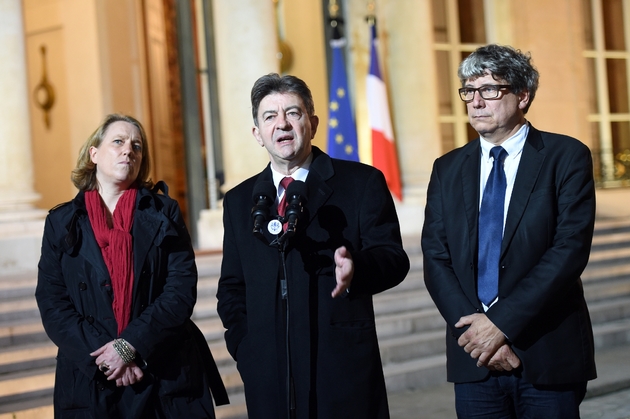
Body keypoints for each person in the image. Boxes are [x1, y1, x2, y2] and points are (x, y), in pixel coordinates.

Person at [216, 73, 409, 419]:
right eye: (270, 116)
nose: (283, 124)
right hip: (269, 376)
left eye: (294, 113)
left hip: (340, 368)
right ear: (258, 134)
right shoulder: (239, 200)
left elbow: (393, 258)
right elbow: (232, 287)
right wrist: (246, 348)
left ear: (313, 123)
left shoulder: (361, 183)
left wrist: (357, 269)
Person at [421, 44, 597, 418]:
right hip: (475, 360)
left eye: (489, 89)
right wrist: (478, 336)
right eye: (468, 90)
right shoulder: (447, 168)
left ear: (523, 96)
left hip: (545, 354)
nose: (475, 102)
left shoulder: (565, 156)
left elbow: (568, 252)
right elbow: (436, 258)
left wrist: (500, 325)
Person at [36, 113, 228, 418]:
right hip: (91, 377)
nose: (129, 150)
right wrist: (107, 357)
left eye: (137, 146)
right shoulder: (61, 223)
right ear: (94, 154)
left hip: (162, 370)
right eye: (118, 142)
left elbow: (179, 290)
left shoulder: (165, 213)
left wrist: (129, 347)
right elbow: (52, 300)